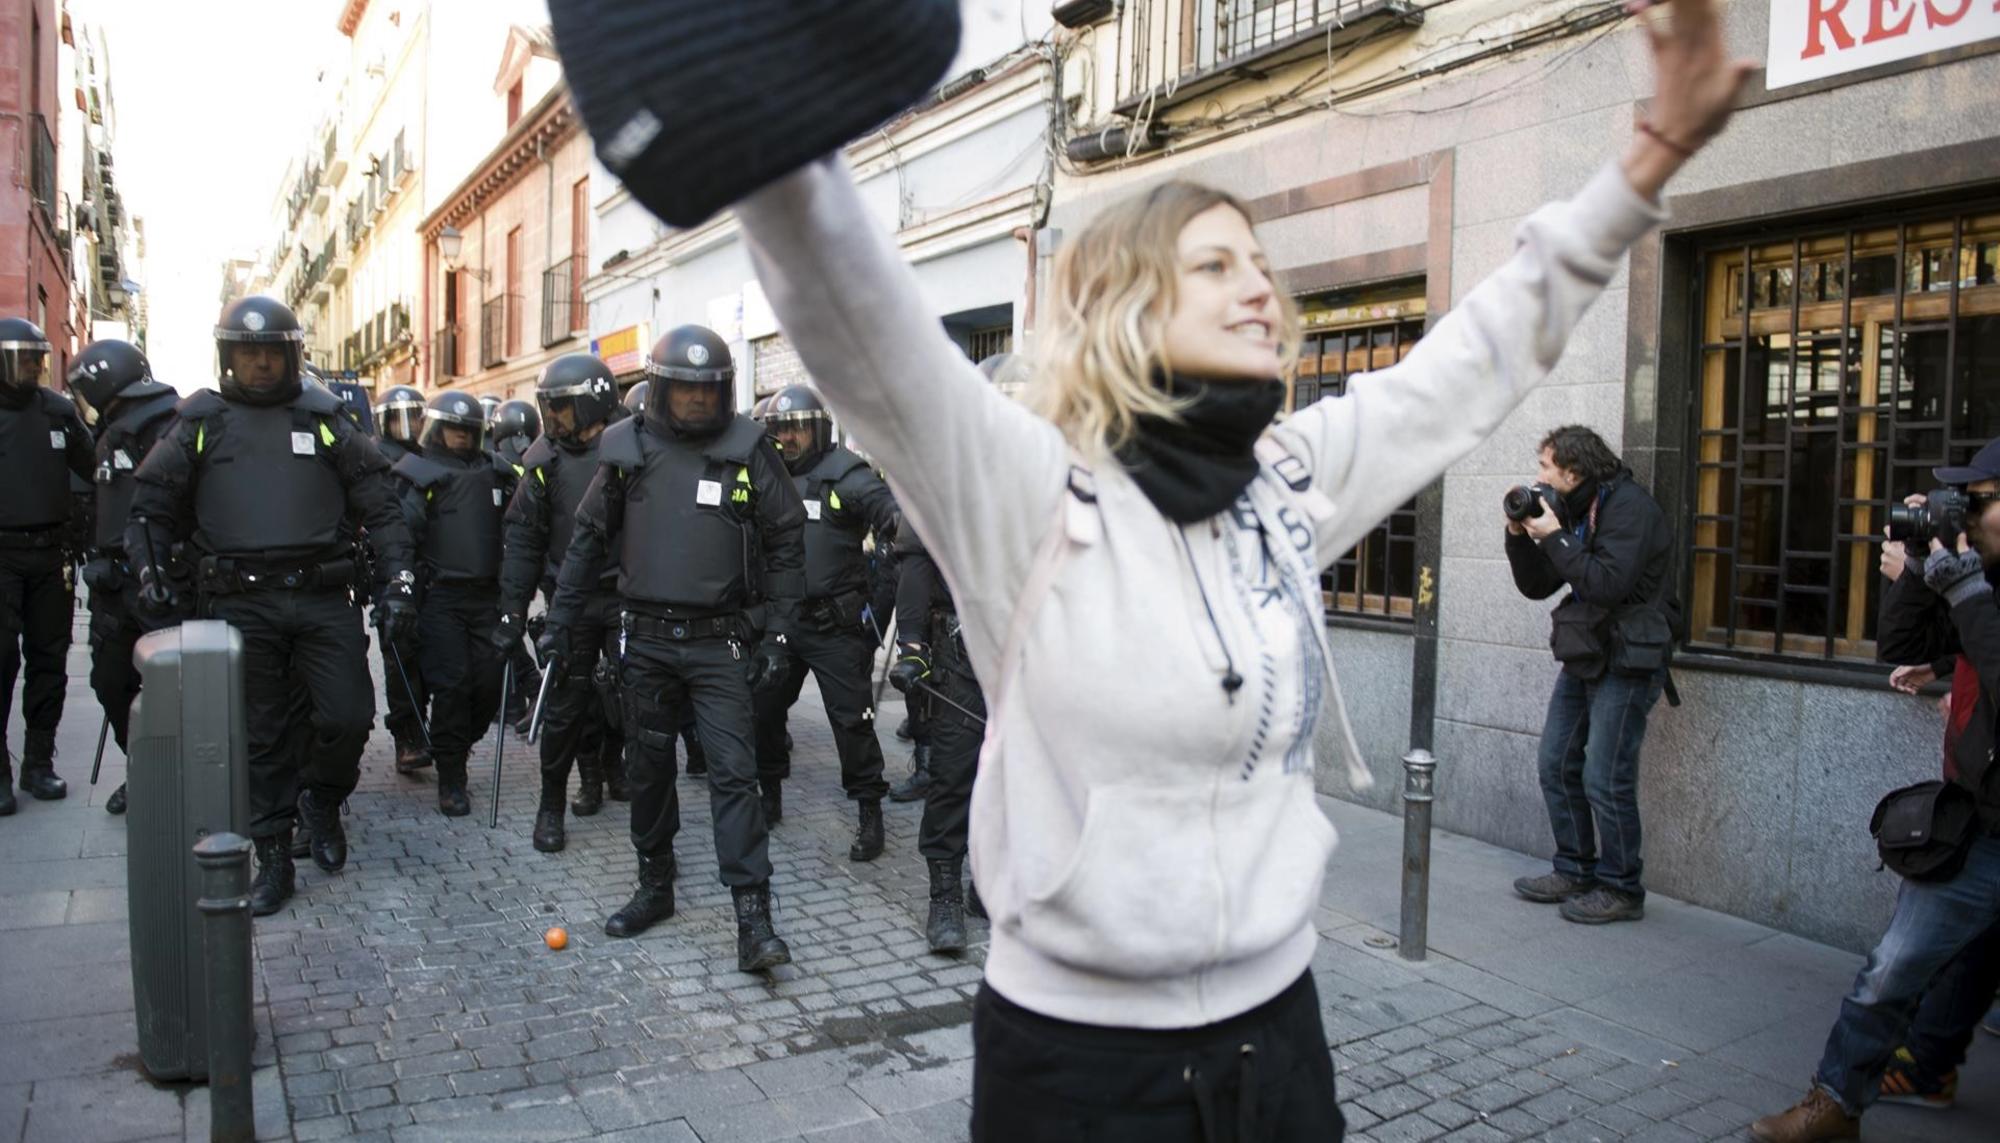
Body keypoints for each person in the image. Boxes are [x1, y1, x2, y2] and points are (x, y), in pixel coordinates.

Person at [688, 0, 1749, 1129]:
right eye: (1214, 265)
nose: (1260, 289)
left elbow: (1472, 361)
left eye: (1259, 264)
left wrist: (1649, 156)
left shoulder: (1287, 480)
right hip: (1077, 1065)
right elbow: (855, 316)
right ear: (1125, 309)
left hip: (1277, 1039)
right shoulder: (1023, 492)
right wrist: (766, 105)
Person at [127, 296, 417, 915]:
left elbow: (382, 505)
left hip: (322, 595)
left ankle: (323, 798)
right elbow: (149, 504)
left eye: (271, 354)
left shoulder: (327, 419)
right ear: (229, 357)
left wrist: (399, 581)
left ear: (292, 356)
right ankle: (275, 854)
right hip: (240, 601)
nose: (260, 365)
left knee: (347, 715)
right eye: (247, 353)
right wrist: (151, 573)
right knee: (261, 734)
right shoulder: (202, 421)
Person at [1752, 445, 2000, 1141]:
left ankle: (1927, 1065)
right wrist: (1925, 572)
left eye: (1980, 499)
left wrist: (1965, 590)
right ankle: (1835, 1101)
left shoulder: (1982, 588)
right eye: (1965, 501)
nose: (1967, 514)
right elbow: (1900, 639)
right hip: (1981, 824)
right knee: (1893, 967)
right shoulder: (1981, 579)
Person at [543, 324, 805, 970]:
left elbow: (787, 540)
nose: (695, 404)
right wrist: (560, 621)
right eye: (684, 392)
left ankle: (753, 916)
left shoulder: (749, 447)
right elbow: (585, 543)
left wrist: (778, 632)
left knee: (734, 772)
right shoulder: (626, 449)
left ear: (725, 392)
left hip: (722, 642)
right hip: (648, 640)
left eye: (707, 392)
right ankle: (654, 883)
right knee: (648, 766)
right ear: (661, 391)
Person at [1503, 425, 1676, 924]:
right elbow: (1538, 585)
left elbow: (1605, 583)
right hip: (1588, 652)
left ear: (1573, 472)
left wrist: (1555, 536)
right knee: (1555, 761)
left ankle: (1621, 887)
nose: (1537, 478)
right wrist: (1520, 535)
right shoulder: (1574, 511)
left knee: (1605, 773)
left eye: (1545, 468)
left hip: (1629, 658)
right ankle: (1575, 868)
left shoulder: (1629, 509)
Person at [750, 385, 897, 854]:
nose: (788, 439)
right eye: (780, 431)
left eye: (796, 429)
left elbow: (892, 519)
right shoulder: (764, 475)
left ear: (818, 429)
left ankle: (869, 810)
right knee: (764, 710)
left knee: (852, 722)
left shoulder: (845, 475)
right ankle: (767, 796)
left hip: (834, 625)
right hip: (782, 622)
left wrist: (880, 601)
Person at [497, 353, 630, 851]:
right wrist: (512, 610)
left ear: (593, 402)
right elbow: (524, 540)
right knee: (565, 706)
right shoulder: (542, 462)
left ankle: (614, 768)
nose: (552, 421)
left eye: (562, 410)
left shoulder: (631, 447)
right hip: (567, 600)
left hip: (624, 597)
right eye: (547, 410)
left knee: (629, 694)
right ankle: (557, 798)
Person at [68, 339, 180, 816]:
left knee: (174, 686)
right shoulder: (109, 430)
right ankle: (142, 767)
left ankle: (176, 776)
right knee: (110, 681)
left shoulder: (170, 423)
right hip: (113, 581)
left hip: (165, 577)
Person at [393, 391, 514, 816]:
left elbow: (521, 527)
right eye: (453, 428)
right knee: (452, 685)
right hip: (441, 597)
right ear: (437, 428)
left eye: (468, 430)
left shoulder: (497, 472)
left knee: (487, 684)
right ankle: (451, 776)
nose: (461, 437)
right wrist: (399, 591)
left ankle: (457, 747)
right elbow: (402, 535)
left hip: (487, 596)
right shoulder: (420, 474)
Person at [0, 318, 97, 811]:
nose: (32, 368)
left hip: (52, 552)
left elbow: (94, 466)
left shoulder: (59, 412)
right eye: (22, 359)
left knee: (49, 660)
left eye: (37, 359)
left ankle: (39, 761)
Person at [888, 511, 989, 951]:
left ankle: (987, 884)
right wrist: (913, 646)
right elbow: (915, 565)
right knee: (952, 773)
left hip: (1029, 650)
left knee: (1018, 779)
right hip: (960, 653)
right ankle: (943, 898)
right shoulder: (944, 475)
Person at [373, 384, 432, 773]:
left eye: (414, 416)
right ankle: (405, 736)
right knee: (399, 658)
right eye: (398, 418)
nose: (407, 426)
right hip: (392, 575)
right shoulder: (374, 460)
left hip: (432, 571)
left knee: (430, 657)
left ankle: (428, 729)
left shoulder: (433, 458)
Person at [488, 397, 543, 733]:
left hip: (508, 559)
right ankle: (522, 695)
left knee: (504, 624)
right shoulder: (539, 461)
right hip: (531, 560)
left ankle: (532, 687)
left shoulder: (499, 466)